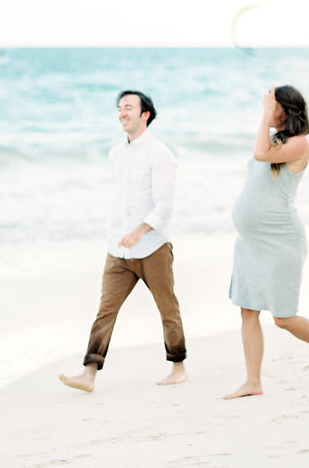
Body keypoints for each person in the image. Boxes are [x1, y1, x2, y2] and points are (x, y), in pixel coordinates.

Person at [59, 90, 188, 393]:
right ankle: (89, 373)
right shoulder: (115, 154)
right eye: (119, 108)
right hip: (118, 250)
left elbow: (165, 205)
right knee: (106, 310)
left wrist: (140, 232)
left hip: (153, 248)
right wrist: (118, 235)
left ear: (145, 114)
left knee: (167, 308)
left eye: (128, 107)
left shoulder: (160, 154)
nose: (122, 113)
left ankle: (178, 367)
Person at [224, 85, 309, 399]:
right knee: (248, 311)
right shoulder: (273, 139)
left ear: (286, 110)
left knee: (283, 318)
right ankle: (253, 382)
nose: (266, 108)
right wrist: (267, 117)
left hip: (281, 241)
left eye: (272, 104)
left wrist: (265, 116)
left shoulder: (299, 143)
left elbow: (260, 155)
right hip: (250, 243)